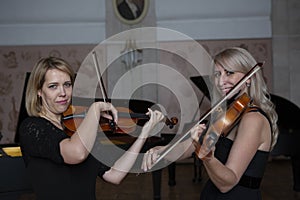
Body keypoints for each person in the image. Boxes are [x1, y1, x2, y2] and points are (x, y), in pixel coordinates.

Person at [142, 47, 278, 200]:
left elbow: (227, 184)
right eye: (217, 74)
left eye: (229, 73)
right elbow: (187, 148)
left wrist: (207, 157)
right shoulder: (226, 114)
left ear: (249, 78)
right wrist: (162, 150)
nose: (221, 82)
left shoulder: (254, 119)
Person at [19, 56, 165, 200]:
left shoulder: (81, 129)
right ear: (39, 91)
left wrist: (144, 133)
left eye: (67, 84)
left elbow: (115, 175)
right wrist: (95, 108)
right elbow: (76, 153)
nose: (62, 93)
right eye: (53, 86)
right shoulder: (31, 127)